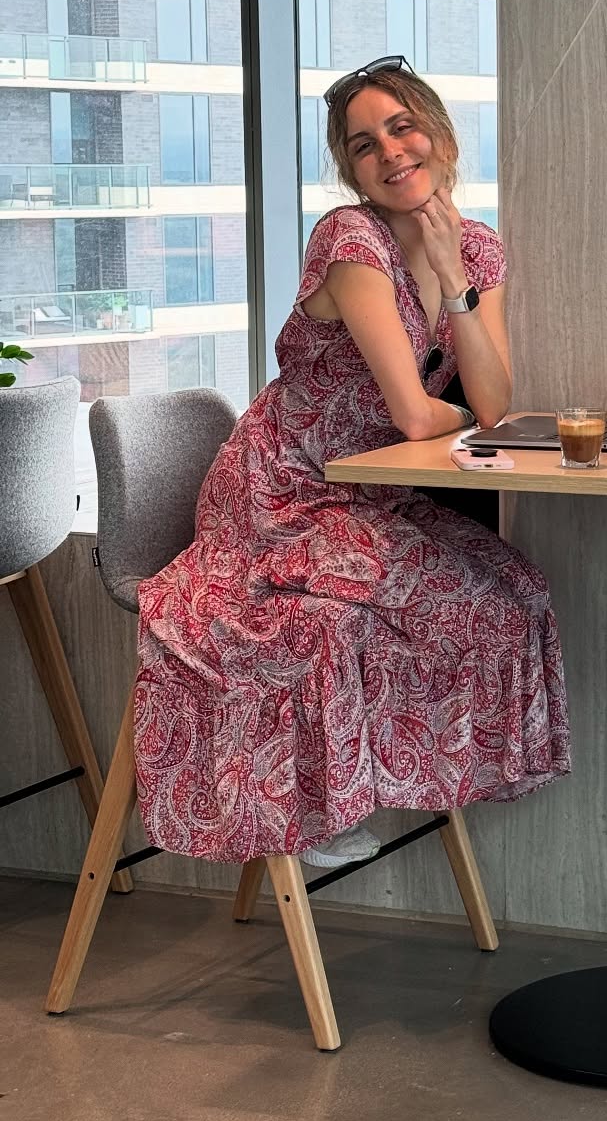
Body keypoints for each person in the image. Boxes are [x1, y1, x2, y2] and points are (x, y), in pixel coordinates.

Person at [134, 56, 570, 868]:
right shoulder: (350, 240)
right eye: (365, 145)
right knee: (419, 607)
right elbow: (419, 412)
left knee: (518, 591)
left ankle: (409, 774)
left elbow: (496, 406)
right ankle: (330, 793)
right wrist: (463, 410)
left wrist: (452, 282)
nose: (391, 151)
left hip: (371, 497)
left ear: (437, 134)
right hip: (285, 492)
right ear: (353, 171)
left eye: (401, 127)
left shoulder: (476, 248)